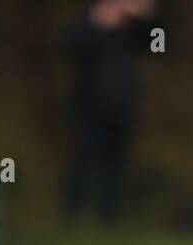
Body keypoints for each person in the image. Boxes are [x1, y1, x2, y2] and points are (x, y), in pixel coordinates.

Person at [60, 0, 159, 224]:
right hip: (89, 109)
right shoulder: (90, 25)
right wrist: (98, 21)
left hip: (122, 108)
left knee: (115, 165)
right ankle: (72, 214)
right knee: (83, 161)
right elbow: (69, 46)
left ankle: (109, 217)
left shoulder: (133, 32)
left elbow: (160, 42)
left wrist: (147, 17)